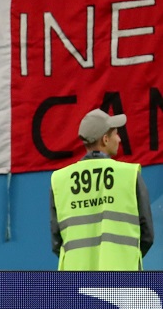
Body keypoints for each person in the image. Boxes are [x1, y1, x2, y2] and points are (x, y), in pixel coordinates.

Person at [50, 108, 154, 270]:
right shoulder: (129, 175)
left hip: (76, 280)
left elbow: (57, 242)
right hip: (122, 279)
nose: (119, 139)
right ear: (105, 139)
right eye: (115, 134)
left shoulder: (60, 180)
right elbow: (147, 235)